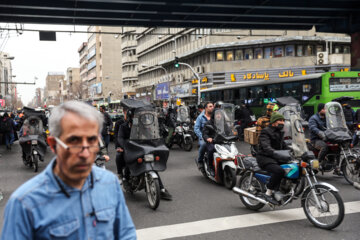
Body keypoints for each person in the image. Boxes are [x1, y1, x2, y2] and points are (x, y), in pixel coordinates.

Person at [0, 101, 136, 239]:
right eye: (74, 142)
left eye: (92, 141)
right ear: (53, 145)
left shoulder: (110, 183)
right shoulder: (24, 204)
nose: (85, 153)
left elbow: (126, 234)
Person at [117, 107, 173, 201]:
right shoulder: (123, 126)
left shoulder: (143, 126)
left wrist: (155, 141)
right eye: (135, 117)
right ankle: (124, 179)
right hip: (130, 148)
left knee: (152, 166)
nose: (137, 118)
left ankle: (162, 189)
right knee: (124, 159)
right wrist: (123, 146)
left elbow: (149, 135)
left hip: (141, 148)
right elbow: (120, 138)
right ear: (131, 117)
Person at [256, 113, 287, 205]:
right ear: (273, 122)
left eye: (283, 121)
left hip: (276, 157)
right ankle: (268, 192)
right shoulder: (266, 131)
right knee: (279, 171)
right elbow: (266, 146)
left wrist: (295, 150)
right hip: (265, 157)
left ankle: (281, 189)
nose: (282, 122)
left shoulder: (280, 132)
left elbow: (284, 145)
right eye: (280, 120)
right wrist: (274, 152)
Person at [308, 103, 342, 175]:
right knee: (324, 147)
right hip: (316, 139)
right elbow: (313, 128)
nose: (326, 110)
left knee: (337, 147)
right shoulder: (313, 118)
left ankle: (336, 167)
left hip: (327, 138)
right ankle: (318, 164)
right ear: (320, 110)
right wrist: (321, 133)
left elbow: (333, 125)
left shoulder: (328, 118)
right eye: (324, 109)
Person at [194, 102, 214, 169]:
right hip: (204, 136)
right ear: (206, 108)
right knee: (204, 144)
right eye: (210, 106)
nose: (212, 108)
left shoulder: (215, 116)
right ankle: (200, 161)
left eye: (213, 106)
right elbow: (196, 128)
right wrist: (202, 137)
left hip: (214, 136)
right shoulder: (200, 117)